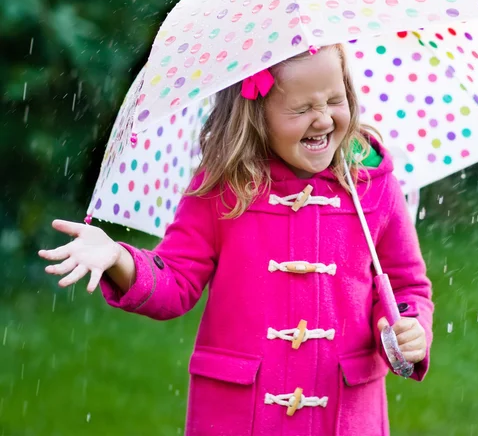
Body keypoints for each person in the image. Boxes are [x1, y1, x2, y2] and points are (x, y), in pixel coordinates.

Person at [39, 44, 434, 436]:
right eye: (301, 109)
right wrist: (118, 258)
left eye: (335, 99)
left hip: (343, 415)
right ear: (257, 114)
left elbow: (406, 285)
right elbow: (175, 280)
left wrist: (404, 327)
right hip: (240, 414)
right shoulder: (222, 188)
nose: (323, 120)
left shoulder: (372, 185)